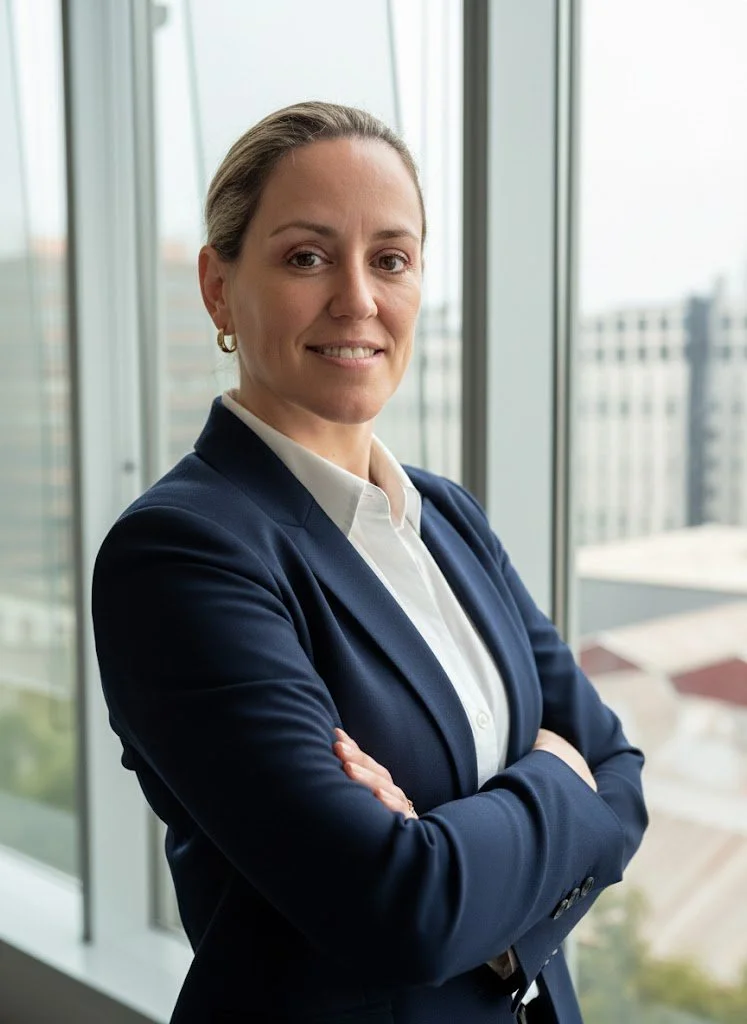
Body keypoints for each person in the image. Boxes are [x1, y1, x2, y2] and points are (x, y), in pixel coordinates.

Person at [92, 101, 647, 1024]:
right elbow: (401, 910)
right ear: (219, 288)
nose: (358, 299)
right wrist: (553, 778)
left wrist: (463, 866)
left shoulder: (447, 518)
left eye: (389, 259)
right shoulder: (180, 556)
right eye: (306, 257)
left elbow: (620, 772)